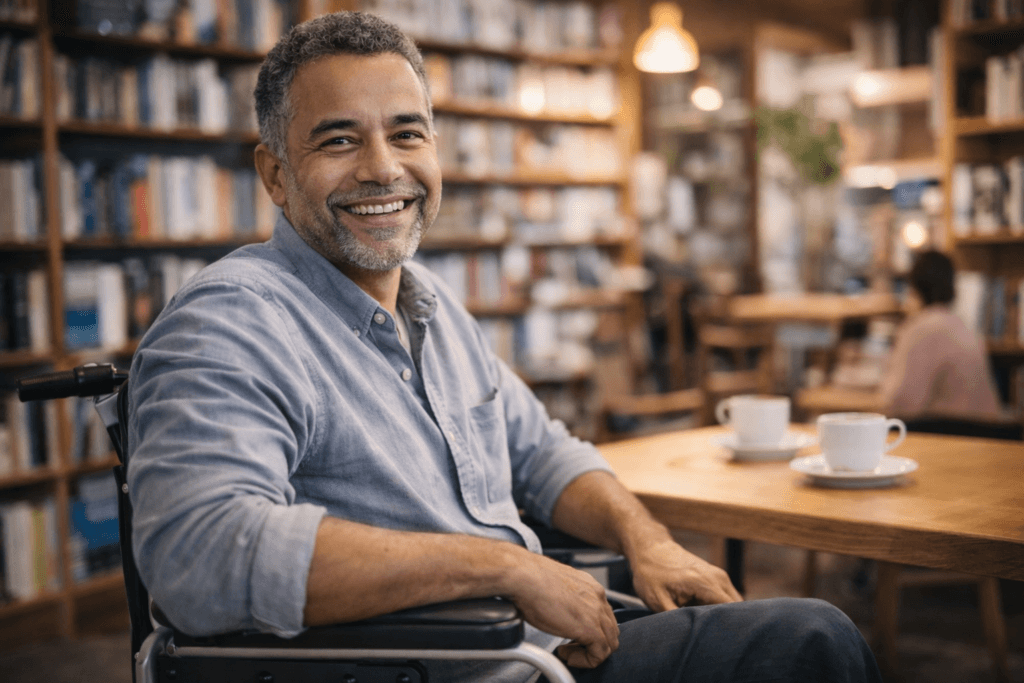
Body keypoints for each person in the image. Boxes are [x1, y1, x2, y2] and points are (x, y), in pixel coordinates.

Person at [127, 11, 882, 682]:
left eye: (407, 133)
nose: (384, 167)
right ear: (275, 175)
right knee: (811, 641)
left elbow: (544, 455)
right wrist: (504, 567)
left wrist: (646, 539)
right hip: (457, 667)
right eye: (339, 139)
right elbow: (201, 551)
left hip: (538, 647)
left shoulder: (431, 305)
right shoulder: (232, 321)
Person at [880, 250, 1001, 420]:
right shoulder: (965, 326)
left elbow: (901, 402)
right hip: (986, 431)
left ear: (914, 287)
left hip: (947, 431)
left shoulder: (921, 329)